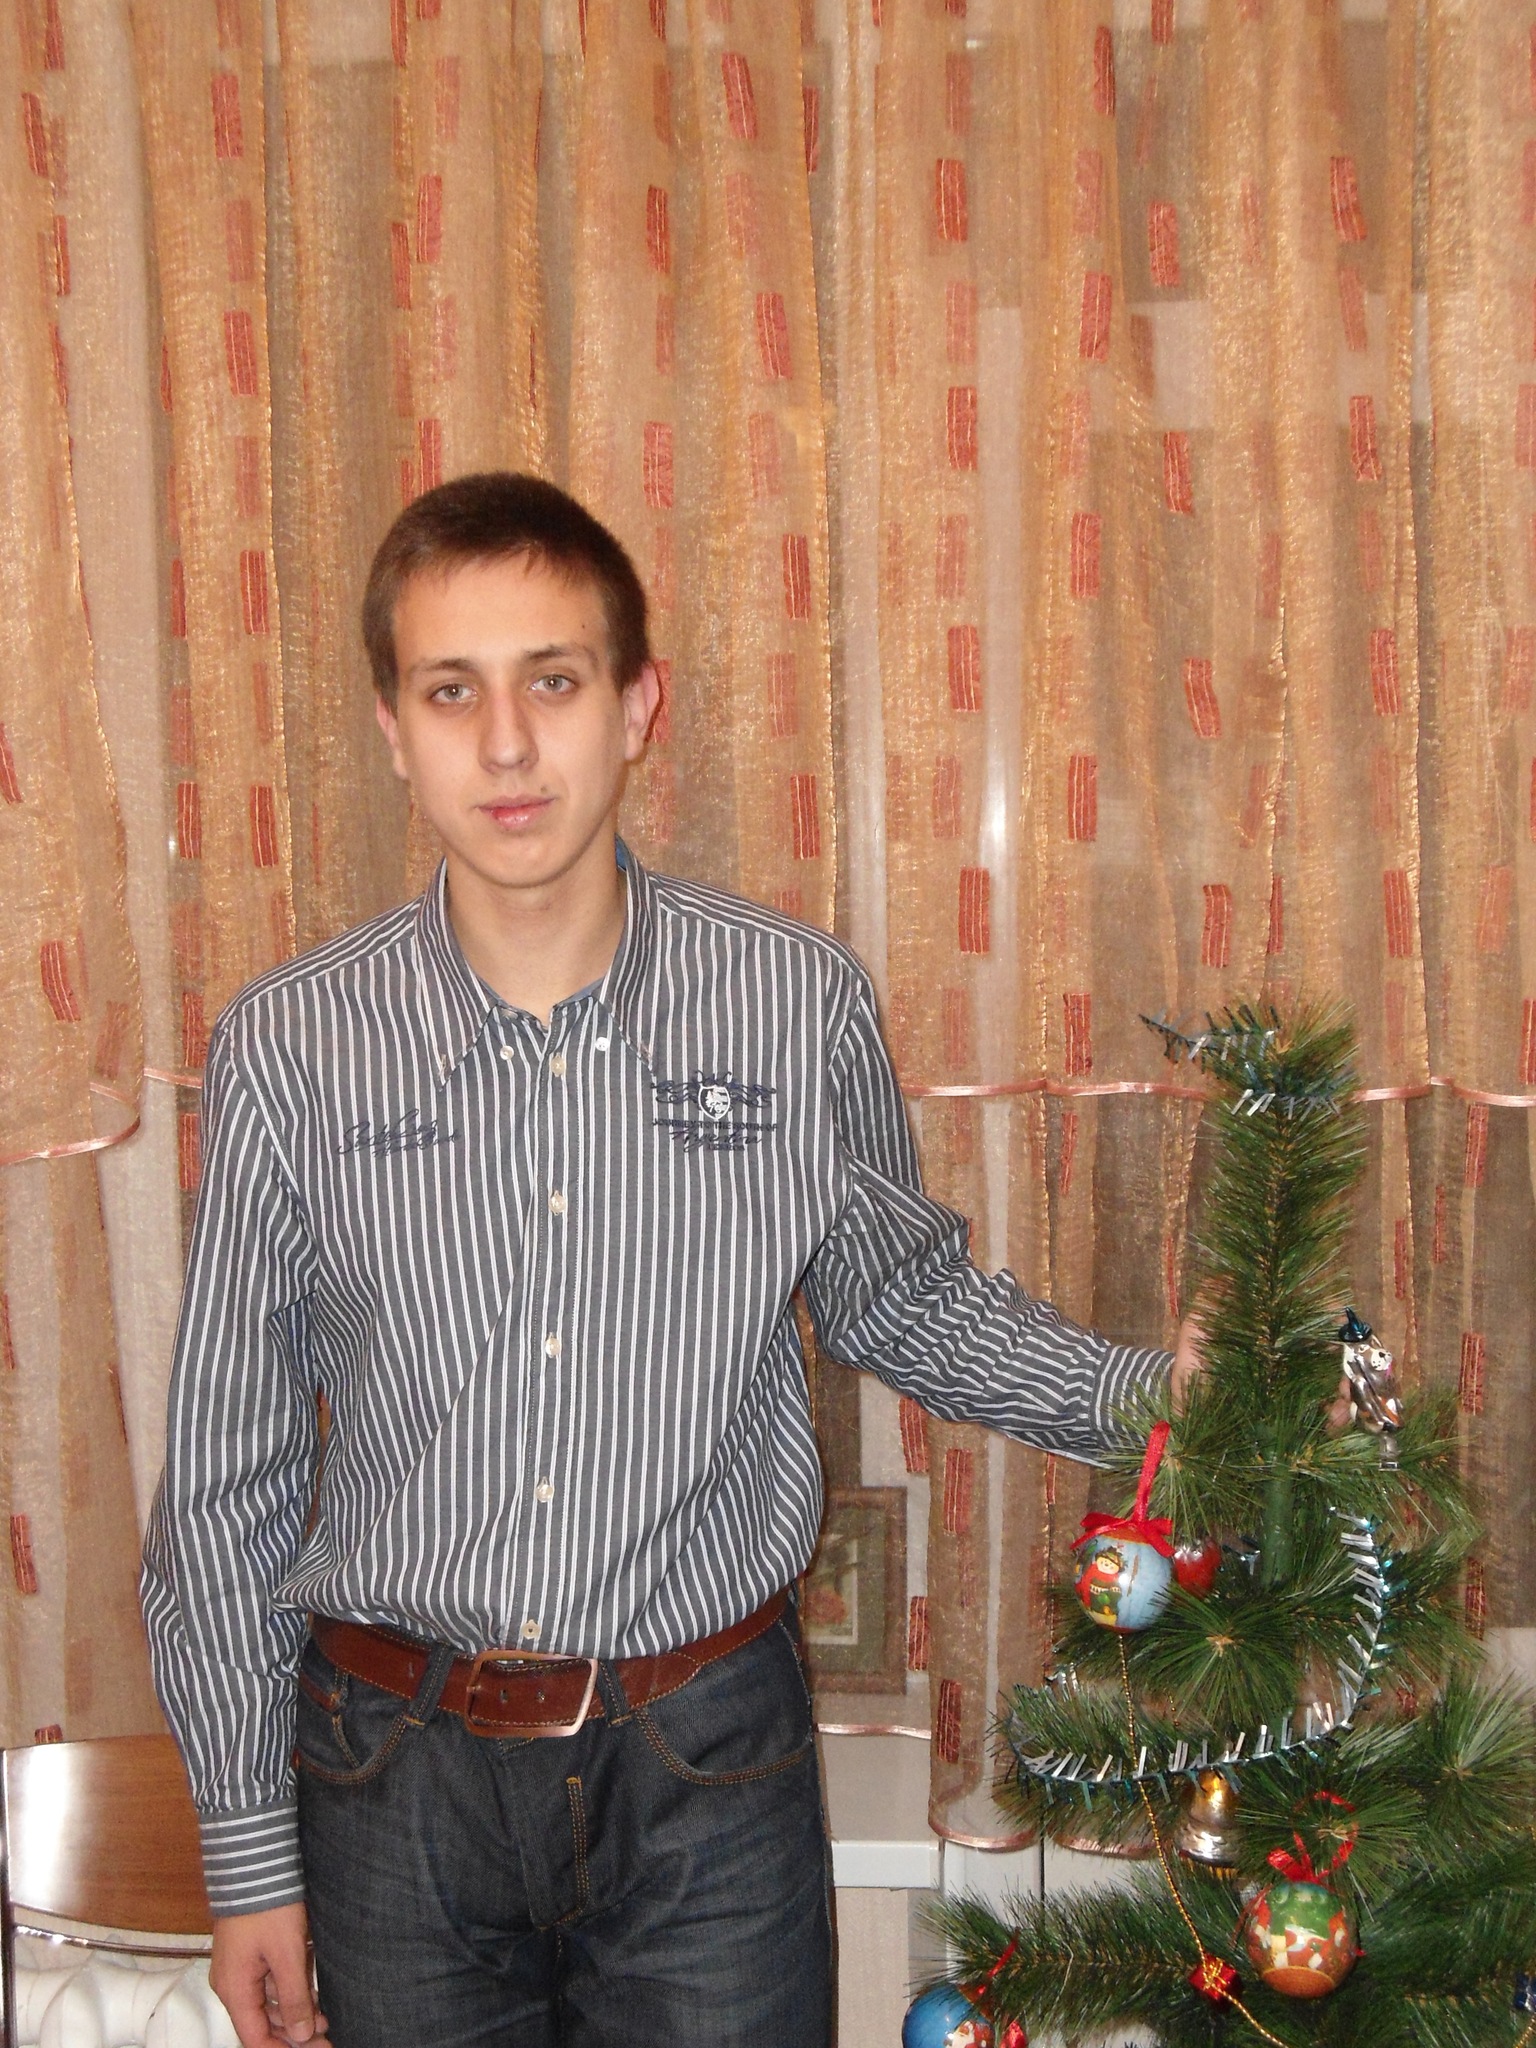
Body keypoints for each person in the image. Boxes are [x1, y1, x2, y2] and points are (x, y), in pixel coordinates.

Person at [142, 473, 1201, 2048]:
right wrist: (247, 1859)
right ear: (394, 731)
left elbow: (900, 1296)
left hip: (706, 1765)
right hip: (388, 1785)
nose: (509, 745)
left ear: (639, 705)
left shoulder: (791, 1002)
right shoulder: (291, 1049)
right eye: (453, 691)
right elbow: (226, 1481)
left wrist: (1162, 1400)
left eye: (553, 681)